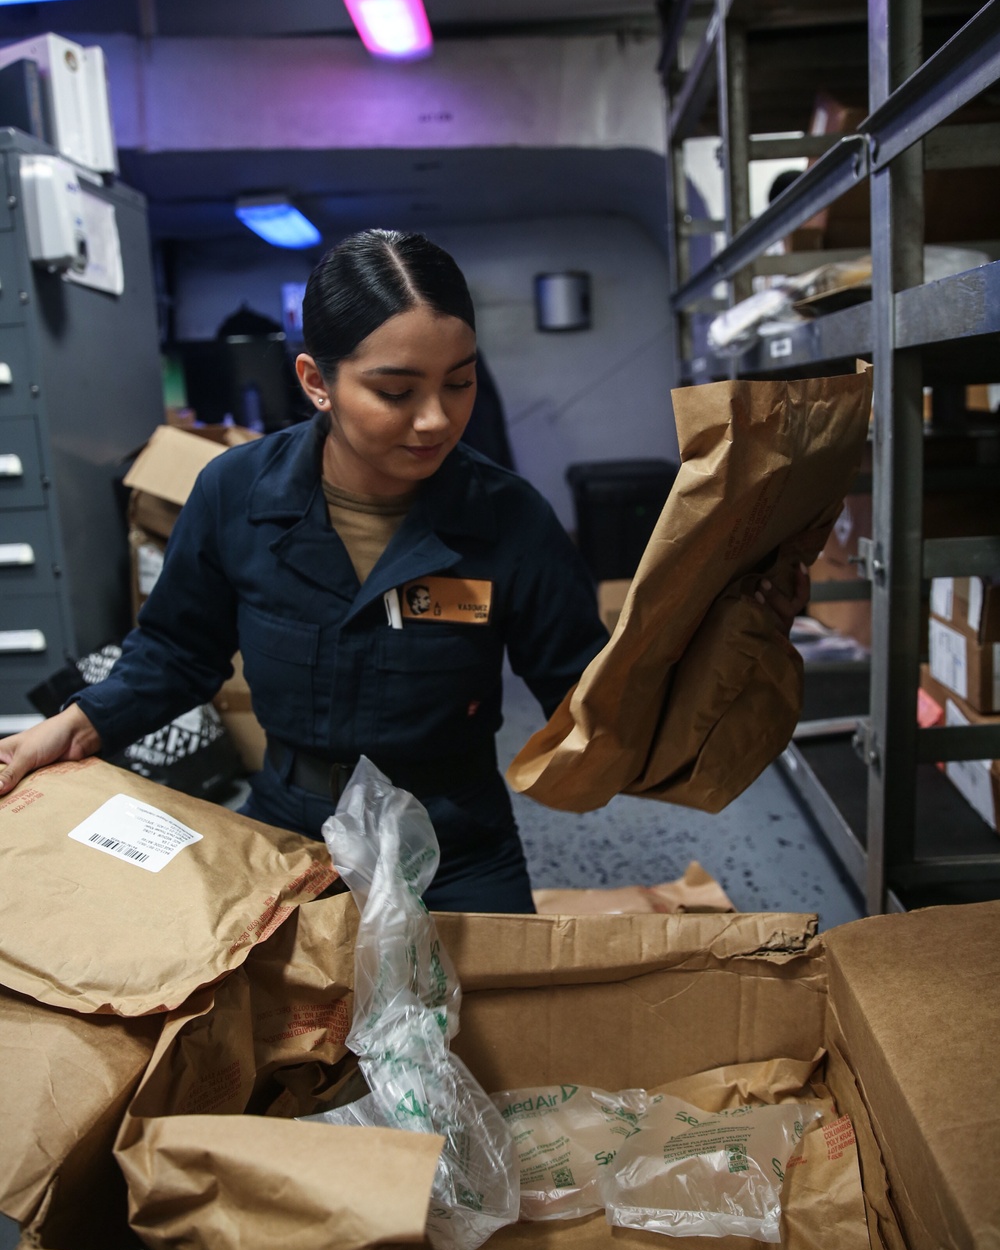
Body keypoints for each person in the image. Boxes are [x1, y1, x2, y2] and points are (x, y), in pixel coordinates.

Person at [0, 230, 808, 912]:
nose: (435, 420)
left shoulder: (508, 517)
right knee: (295, 1065)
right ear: (317, 381)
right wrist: (72, 726)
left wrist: (730, 635)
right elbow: (178, 650)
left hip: (457, 840)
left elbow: (585, 689)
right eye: (396, 391)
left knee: (497, 1056)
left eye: (459, 384)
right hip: (293, 837)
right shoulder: (235, 494)